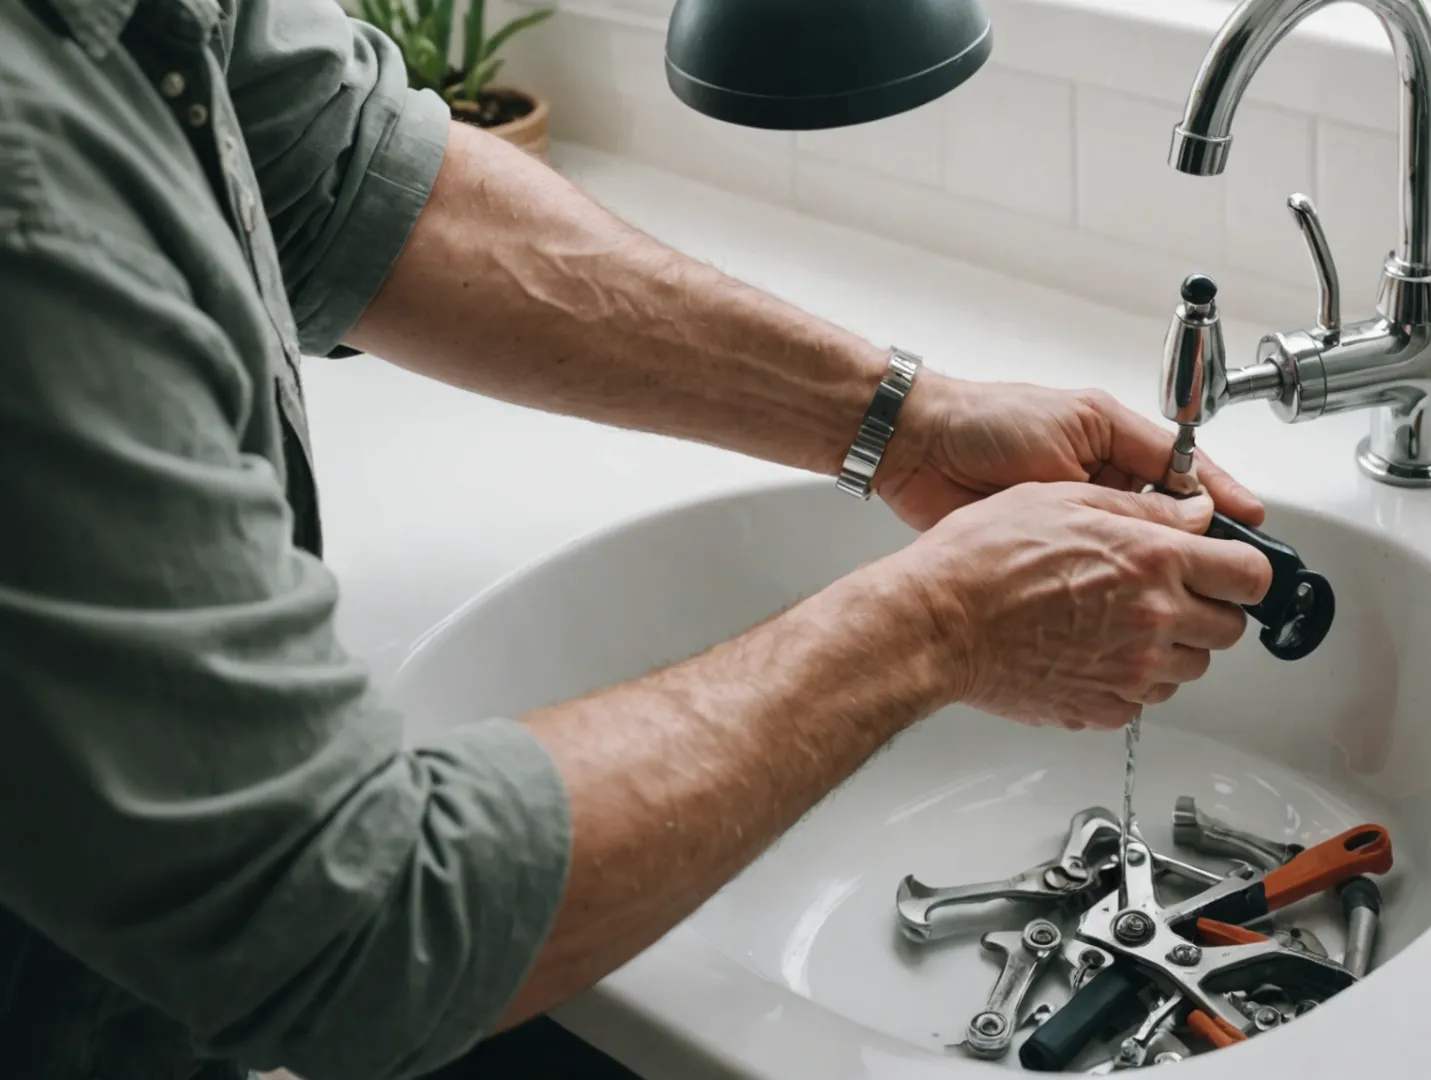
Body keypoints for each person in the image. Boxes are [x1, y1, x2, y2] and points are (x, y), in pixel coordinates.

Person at [0, 0, 1275, 1075]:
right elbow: (337, 923)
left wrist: (910, 424)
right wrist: (940, 624)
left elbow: (350, 179)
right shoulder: (28, 182)